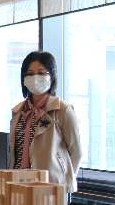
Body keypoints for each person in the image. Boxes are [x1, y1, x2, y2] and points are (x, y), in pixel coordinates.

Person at [10, 51, 82, 195]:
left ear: (52, 76)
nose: (35, 77)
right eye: (30, 73)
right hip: (19, 185)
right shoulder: (18, 111)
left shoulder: (62, 110)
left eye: (41, 73)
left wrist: (63, 182)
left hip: (52, 189)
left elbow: (76, 152)